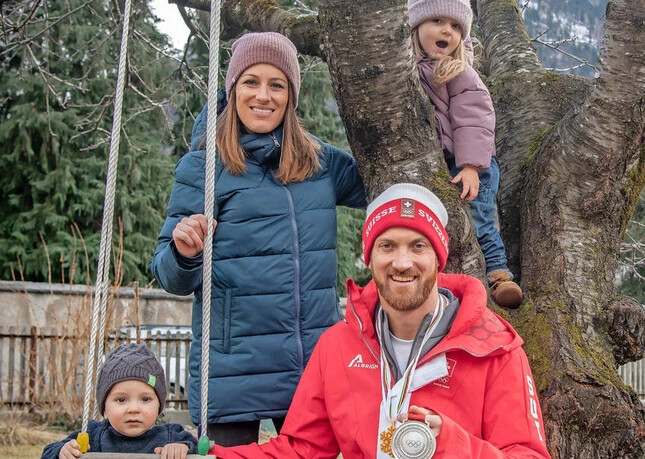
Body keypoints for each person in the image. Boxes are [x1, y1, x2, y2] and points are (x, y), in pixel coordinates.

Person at [210, 183, 550, 458]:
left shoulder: (494, 349)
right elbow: (302, 450)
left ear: (439, 258)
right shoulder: (338, 345)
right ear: (369, 258)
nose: (402, 263)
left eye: (418, 246)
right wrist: (210, 456)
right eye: (387, 246)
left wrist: (453, 446)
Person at [150, 32, 367, 446]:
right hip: (231, 373)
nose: (263, 96)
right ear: (232, 90)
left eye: (277, 84)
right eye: (251, 82)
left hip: (310, 369)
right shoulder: (204, 168)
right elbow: (170, 277)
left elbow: (388, 179)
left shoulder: (320, 164)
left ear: (292, 96)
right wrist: (184, 252)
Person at [407, 0, 523, 309]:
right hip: (447, 162)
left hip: (473, 164)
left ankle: (499, 274)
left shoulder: (458, 73)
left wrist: (471, 166)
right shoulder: (410, 71)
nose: (447, 30)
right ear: (415, 27)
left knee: (479, 217)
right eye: (437, 21)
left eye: (456, 26)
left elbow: (475, 120)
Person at [42, 343, 197, 459]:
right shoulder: (92, 435)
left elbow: (196, 448)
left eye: (145, 399)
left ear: (159, 405)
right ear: (104, 408)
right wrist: (63, 451)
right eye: (121, 400)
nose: (134, 408)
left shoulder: (170, 436)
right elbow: (48, 452)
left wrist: (181, 448)